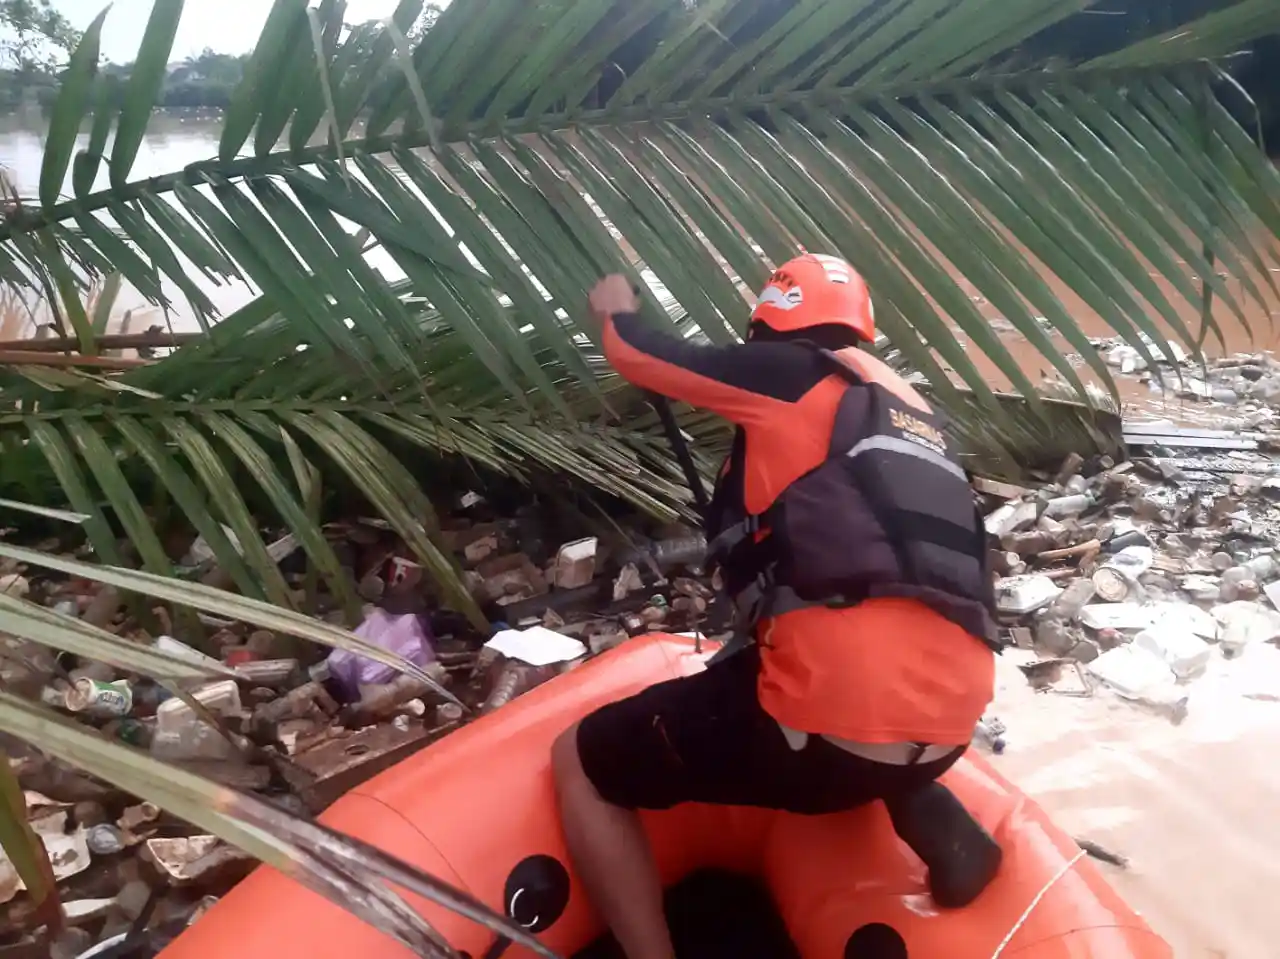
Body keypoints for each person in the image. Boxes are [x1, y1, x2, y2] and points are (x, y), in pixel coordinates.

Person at [552, 254, 1001, 959]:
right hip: (954, 722)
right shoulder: (910, 411)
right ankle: (927, 806)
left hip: (831, 721)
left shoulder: (789, 370)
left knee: (582, 756)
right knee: (859, 677)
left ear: (768, 320)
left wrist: (614, 306)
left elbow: (638, 354)